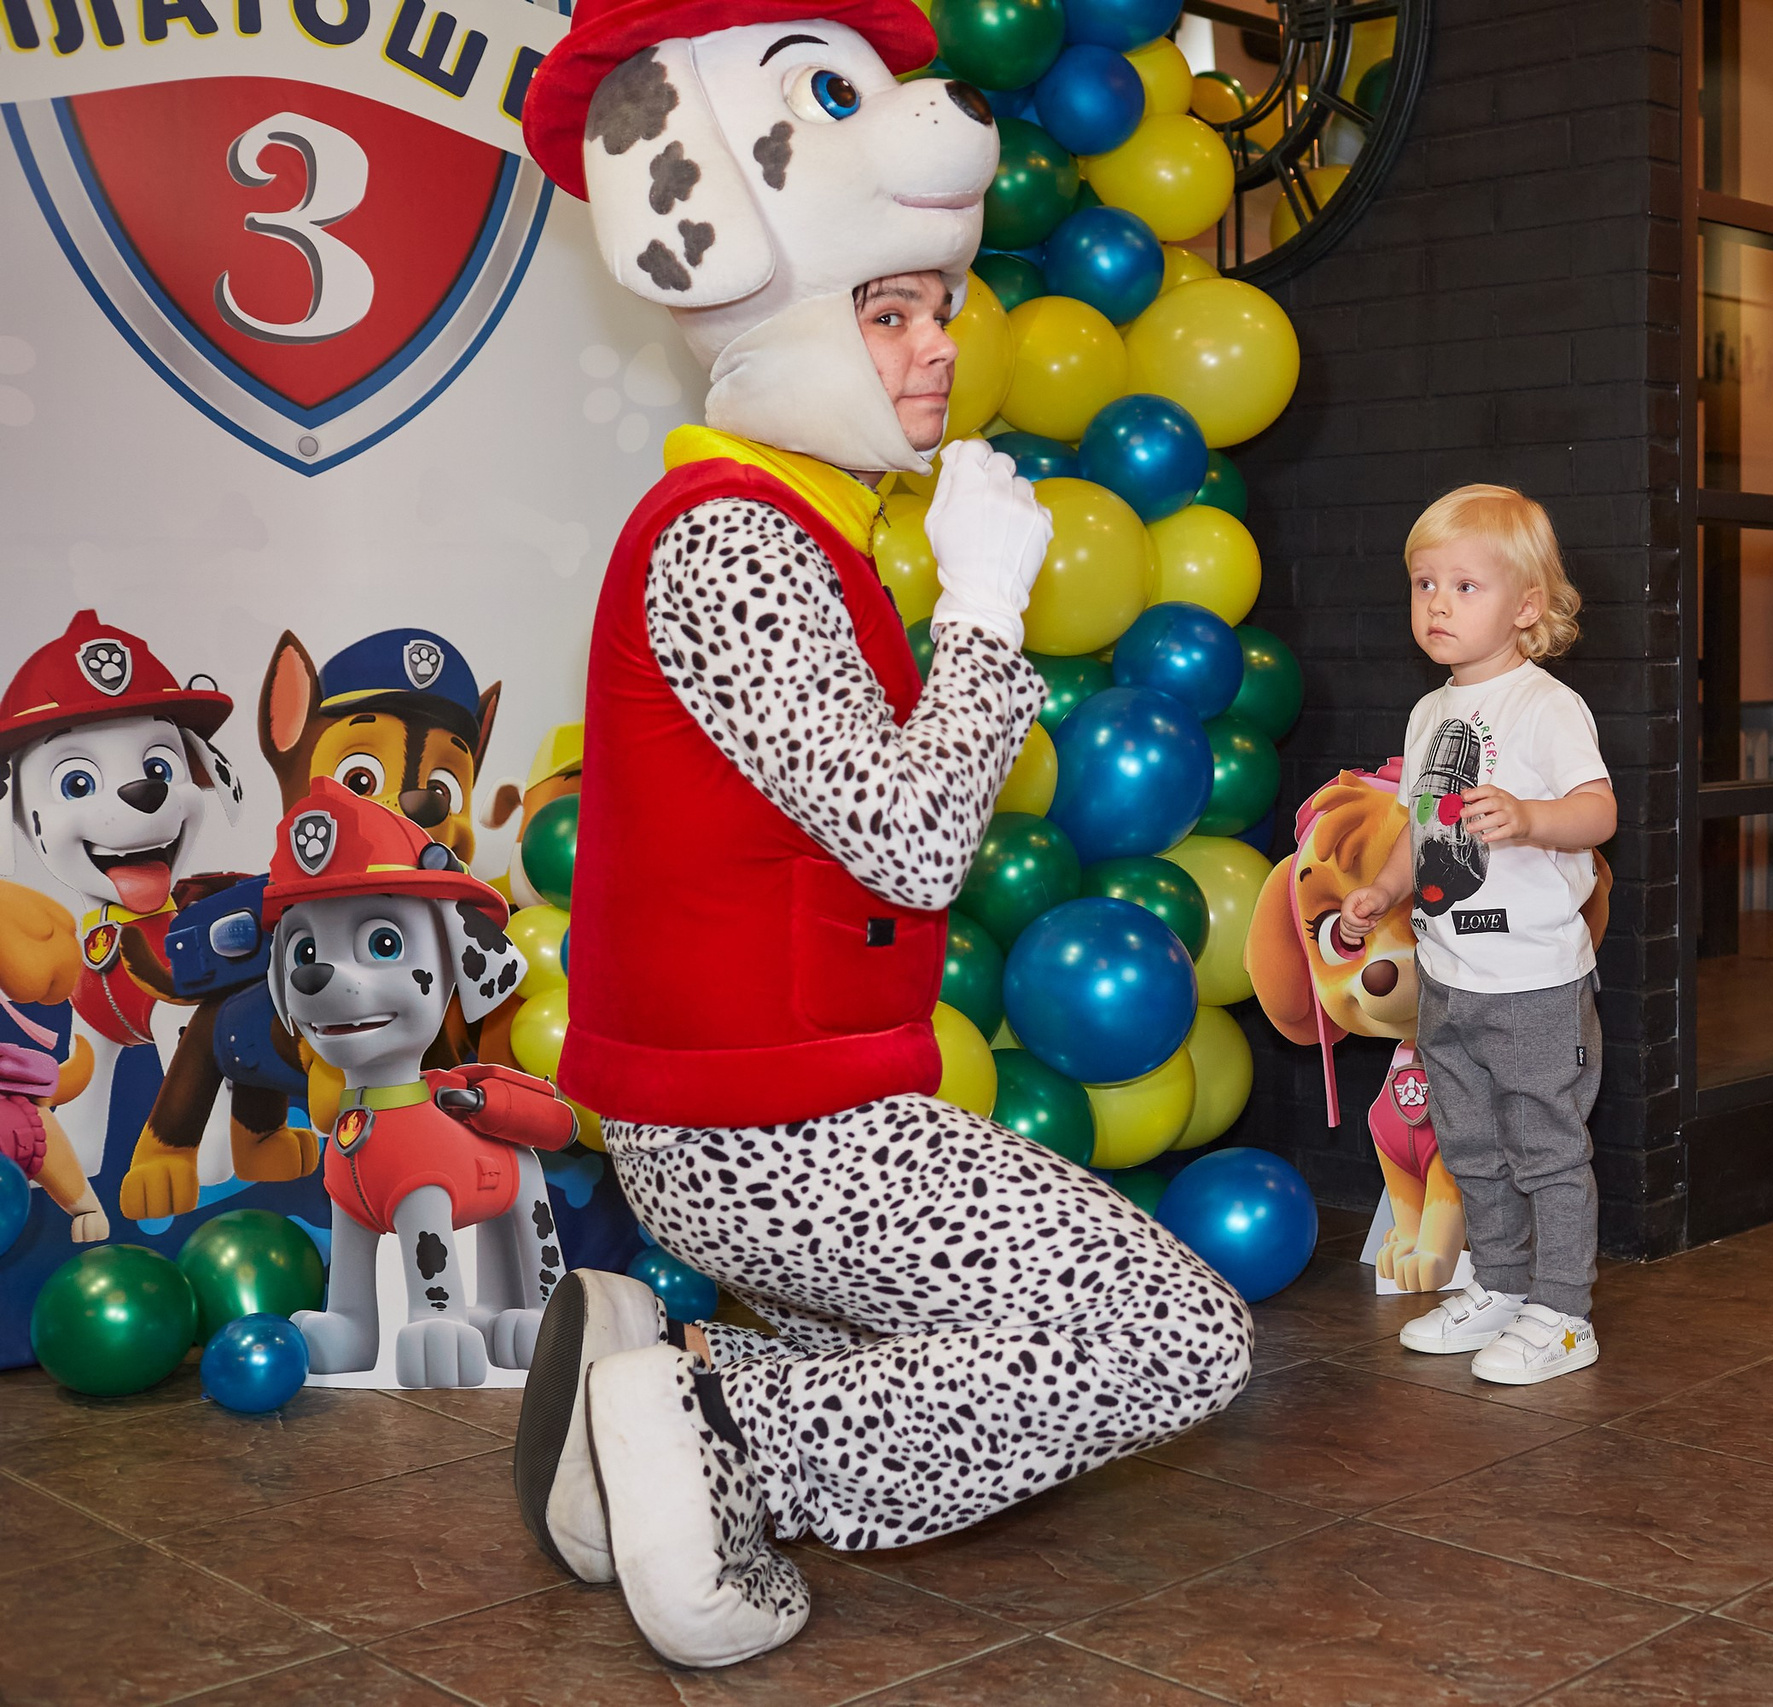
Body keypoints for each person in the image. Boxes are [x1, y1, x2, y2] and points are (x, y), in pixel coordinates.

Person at [509, 8, 1252, 1669]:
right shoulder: (730, 537)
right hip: (768, 1128)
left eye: (938, 307)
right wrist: (988, 610)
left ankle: (629, 1410)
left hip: (766, 1105)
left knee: (994, 1319)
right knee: (1169, 1335)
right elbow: (917, 842)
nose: (937, 347)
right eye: (891, 309)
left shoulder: (781, 522)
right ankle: (718, 1434)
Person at [1337, 485, 1616, 1387]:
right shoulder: (1431, 715)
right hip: (1452, 977)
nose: (1438, 604)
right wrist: (1381, 889)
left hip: (1533, 980)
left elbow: (1599, 811)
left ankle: (1564, 1313)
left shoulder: (1545, 706)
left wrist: (1532, 816)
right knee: (1469, 1143)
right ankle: (1498, 1284)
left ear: (1526, 606)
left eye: (1465, 585)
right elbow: (1420, 827)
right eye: (1424, 585)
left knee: (1546, 1147)